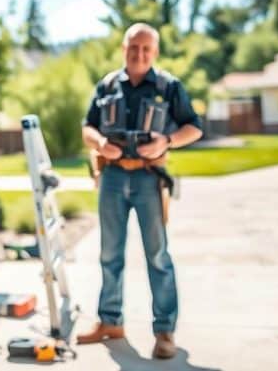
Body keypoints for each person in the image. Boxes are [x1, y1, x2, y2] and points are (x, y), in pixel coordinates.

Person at [76, 22, 203, 360]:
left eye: (146, 48)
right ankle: (110, 322)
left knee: (157, 256)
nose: (139, 53)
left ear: (155, 52)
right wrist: (101, 142)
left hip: (150, 179)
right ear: (124, 49)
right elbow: (87, 126)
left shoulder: (169, 86)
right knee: (109, 254)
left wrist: (168, 141)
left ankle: (164, 332)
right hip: (113, 178)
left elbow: (195, 128)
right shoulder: (107, 85)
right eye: (134, 47)